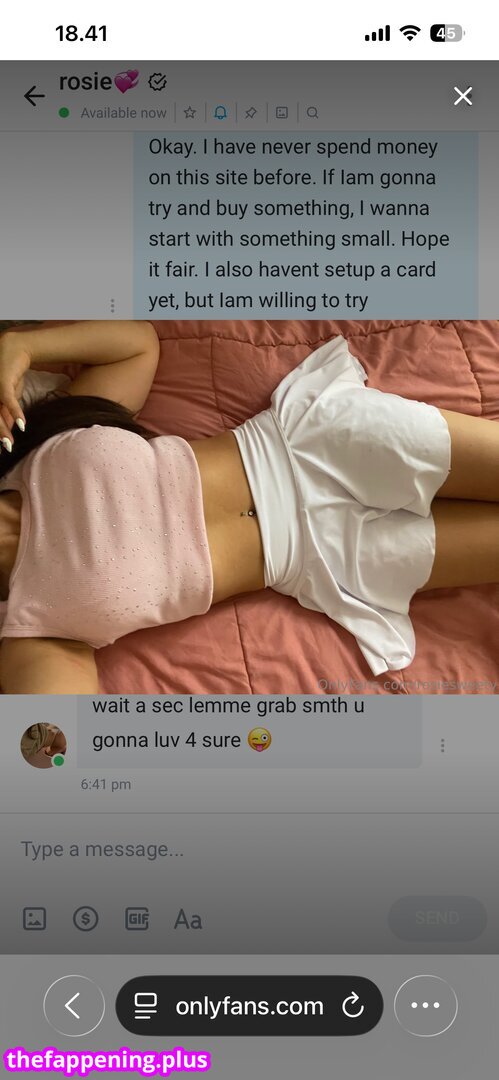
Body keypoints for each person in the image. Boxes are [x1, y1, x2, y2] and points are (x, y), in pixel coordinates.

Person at [0, 321, 498, 693]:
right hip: (326, 556)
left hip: (311, 444)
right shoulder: (32, 633)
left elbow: (136, 346)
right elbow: (57, 754)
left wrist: (22, 345)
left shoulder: (34, 445)